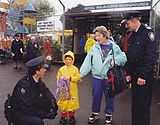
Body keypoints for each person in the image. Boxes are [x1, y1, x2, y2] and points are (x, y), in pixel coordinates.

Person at [80, 26, 127, 124]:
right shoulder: (94, 47)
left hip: (109, 78)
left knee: (110, 96)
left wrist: (115, 61)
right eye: (96, 36)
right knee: (96, 96)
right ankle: (95, 113)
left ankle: (109, 115)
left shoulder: (114, 47)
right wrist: (81, 74)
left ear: (105, 35)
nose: (97, 38)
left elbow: (123, 58)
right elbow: (88, 61)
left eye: (99, 35)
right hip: (97, 78)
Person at [122, 11, 157, 125]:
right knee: (136, 105)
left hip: (144, 78)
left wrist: (143, 75)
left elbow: (151, 57)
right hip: (135, 76)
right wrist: (128, 73)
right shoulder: (132, 35)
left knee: (143, 106)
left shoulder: (148, 33)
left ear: (134, 20)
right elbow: (130, 56)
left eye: (127, 23)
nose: (126, 26)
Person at [9, 56, 58, 125]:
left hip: (29, 106)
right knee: (38, 122)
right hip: (18, 112)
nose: (45, 70)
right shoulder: (24, 85)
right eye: (43, 68)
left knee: (47, 103)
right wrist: (46, 114)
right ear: (37, 71)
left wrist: (52, 100)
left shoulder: (37, 79)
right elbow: (27, 109)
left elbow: (45, 91)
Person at [56, 51, 81, 124]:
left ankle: (72, 117)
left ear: (72, 60)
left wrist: (70, 78)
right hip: (64, 90)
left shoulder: (75, 69)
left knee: (72, 104)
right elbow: (57, 77)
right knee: (63, 103)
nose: (68, 61)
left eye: (70, 59)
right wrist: (61, 78)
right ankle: (63, 117)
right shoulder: (61, 69)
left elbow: (78, 77)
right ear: (64, 60)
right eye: (66, 59)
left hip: (72, 90)